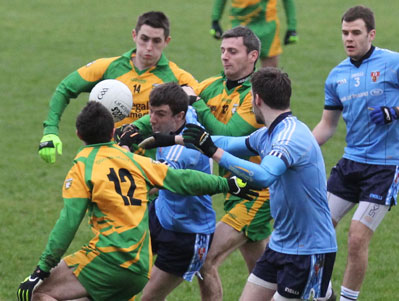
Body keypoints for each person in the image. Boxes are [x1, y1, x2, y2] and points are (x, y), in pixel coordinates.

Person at [17, 101, 257, 301]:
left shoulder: (82, 168)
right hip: (139, 268)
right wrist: (227, 184)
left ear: (78, 134)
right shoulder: (134, 160)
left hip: (108, 258)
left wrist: (42, 269)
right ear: (113, 131)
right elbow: (183, 179)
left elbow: (68, 223)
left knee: (40, 293)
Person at [147, 67, 337, 300]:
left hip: (309, 250)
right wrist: (174, 138)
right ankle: (323, 293)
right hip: (280, 245)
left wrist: (213, 151)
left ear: (256, 99)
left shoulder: (290, 138)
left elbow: (264, 176)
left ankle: (322, 293)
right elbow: (229, 141)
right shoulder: (267, 133)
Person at [311, 5, 399, 301]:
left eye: (356, 33)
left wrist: (395, 111)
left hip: (386, 166)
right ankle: (323, 293)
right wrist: (295, 146)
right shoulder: (336, 76)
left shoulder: (395, 63)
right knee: (318, 227)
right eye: (345, 33)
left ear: (371, 34)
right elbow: (327, 125)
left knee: (357, 237)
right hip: (351, 163)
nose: (349, 39)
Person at [134, 26, 272, 301]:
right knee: (263, 270)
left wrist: (199, 106)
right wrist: (134, 130)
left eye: (232, 51)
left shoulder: (257, 95)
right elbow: (172, 107)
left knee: (206, 259)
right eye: (222, 50)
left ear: (252, 55)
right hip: (233, 186)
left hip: (256, 191)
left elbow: (231, 136)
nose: (224, 57)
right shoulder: (210, 86)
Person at [38, 11, 197, 164]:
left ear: (167, 41)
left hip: (150, 166)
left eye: (156, 41)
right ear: (134, 35)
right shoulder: (109, 67)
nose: (149, 47)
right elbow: (65, 88)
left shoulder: (179, 78)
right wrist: (50, 130)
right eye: (144, 39)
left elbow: (200, 112)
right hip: (106, 160)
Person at [136, 83, 217, 300]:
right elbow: (188, 93)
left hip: (186, 234)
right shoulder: (187, 113)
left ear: (178, 116)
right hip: (160, 213)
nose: (152, 119)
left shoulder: (181, 152)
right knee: (123, 269)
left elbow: (154, 181)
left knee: (149, 297)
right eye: (151, 112)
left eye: (160, 114)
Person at [210, 0, 298, 67]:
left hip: (267, 27)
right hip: (239, 27)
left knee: (270, 73)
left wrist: (292, 27)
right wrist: (215, 20)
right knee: (237, 71)